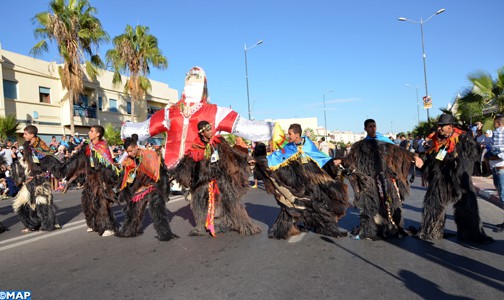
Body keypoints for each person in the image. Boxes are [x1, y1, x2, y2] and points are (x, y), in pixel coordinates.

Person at [121, 66, 276, 171]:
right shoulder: (214, 112)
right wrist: (273, 129)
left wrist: (126, 129)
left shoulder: (169, 112)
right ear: (204, 87)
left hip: (177, 169)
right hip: (197, 169)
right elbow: (247, 128)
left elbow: (142, 130)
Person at [253, 123, 349, 239]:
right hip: (298, 182)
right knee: (292, 203)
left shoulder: (308, 145)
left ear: (297, 135)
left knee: (319, 203)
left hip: (313, 181)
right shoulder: (289, 147)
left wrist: (334, 162)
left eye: (290, 134)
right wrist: (259, 160)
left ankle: (326, 227)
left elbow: (320, 157)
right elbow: (275, 157)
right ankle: (285, 228)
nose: (288, 136)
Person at [173, 121, 261, 237]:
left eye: (211, 129)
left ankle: (244, 225)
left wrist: (246, 159)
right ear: (202, 133)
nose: (211, 132)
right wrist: (177, 173)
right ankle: (201, 227)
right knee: (199, 203)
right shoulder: (195, 147)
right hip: (203, 181)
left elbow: (232, 153)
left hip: (220, 179)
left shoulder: (218, 142)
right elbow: (187, 163)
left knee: (231, 201)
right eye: (208, 130)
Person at [339, 119, 423, 240]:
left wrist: (414, 157)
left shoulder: (383, 142)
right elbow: (350, 158)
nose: (372, 128)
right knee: (369, 205)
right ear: (365, 129)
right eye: (370, 126)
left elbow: (400, 151)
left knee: (391, 203)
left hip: (385, 178)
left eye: (374, 126)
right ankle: (370, 230)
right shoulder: (360, 145)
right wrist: (341, 160)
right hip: (368, 179)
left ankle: (393, 228)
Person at [417, 114, 493, 243]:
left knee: (467, 205)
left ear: (450, 126)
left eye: (442, 126)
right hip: (440, 177)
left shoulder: (463, 137)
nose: (439, 128)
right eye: (439, 126)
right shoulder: (435, 141)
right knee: (433, 204)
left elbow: (473, 153)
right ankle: (432, 231)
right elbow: (432, 159)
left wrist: (457, 160)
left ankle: (470, 233)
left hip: (459, 177)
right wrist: (422, 160)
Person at [117, 134, 177, 241]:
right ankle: (129, 230)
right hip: (141, 188)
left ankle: (164, 234)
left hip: (155, 186)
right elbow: (128, 177)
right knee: (133, 209)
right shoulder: (129, 160)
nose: (130, 154)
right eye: (128, 152)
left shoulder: (150, 155)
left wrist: (163, 188)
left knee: (158, 210)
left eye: (131, 151)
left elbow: (161, 172)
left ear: (136, 147)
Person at [11, 125, 60, 233]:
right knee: (21, 204)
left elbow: (49, 161)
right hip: (29, 179)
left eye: (25, 134)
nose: (23, 136)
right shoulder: (26, 146)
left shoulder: (41, 147)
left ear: (32, 134)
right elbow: (26, 162)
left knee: (42, 204)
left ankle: (47, 225)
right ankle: (31, 224)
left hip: (40, 180)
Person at [488, 115, 504, 232]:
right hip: (496, 168)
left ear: (498, 123)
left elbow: (500, 151)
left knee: (503, 196)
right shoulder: (497, 133)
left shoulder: (500, 132)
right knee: (502, 195)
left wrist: (494, 155)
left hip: (501, 169)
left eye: (495, 122)